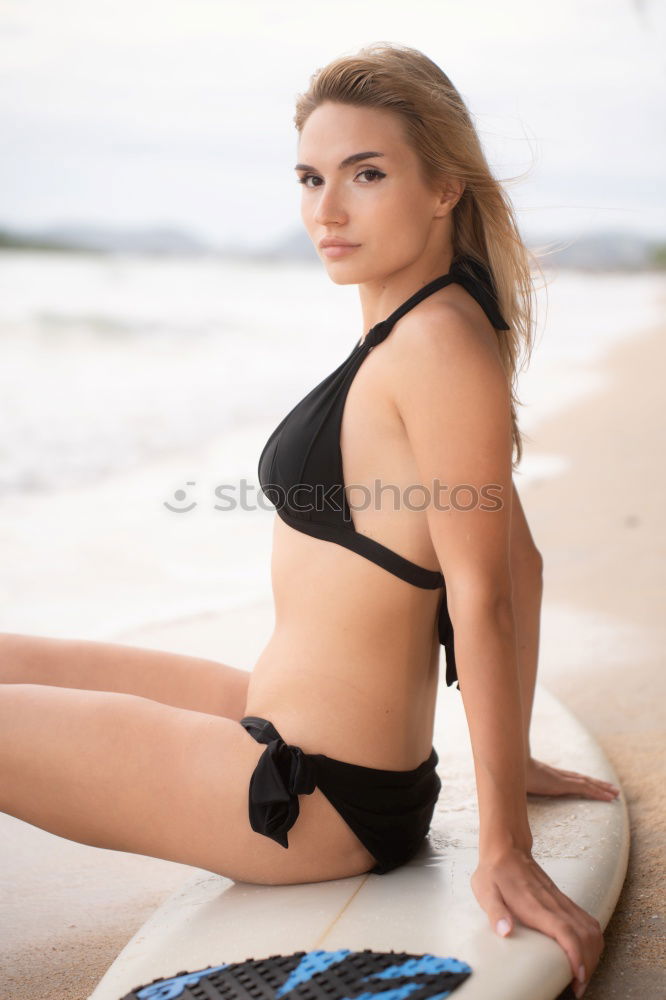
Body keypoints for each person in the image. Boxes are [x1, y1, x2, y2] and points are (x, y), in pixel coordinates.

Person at [0, 42, 617, 1000]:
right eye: (311, 177)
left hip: (305, 795)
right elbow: (521, 559)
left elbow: (487, 591)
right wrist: (513, 750)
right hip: (276, 727)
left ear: (444, 186)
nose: (325, 211)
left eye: (366, 175)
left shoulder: (436, 345)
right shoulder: (418, 327)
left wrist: (505, 840)